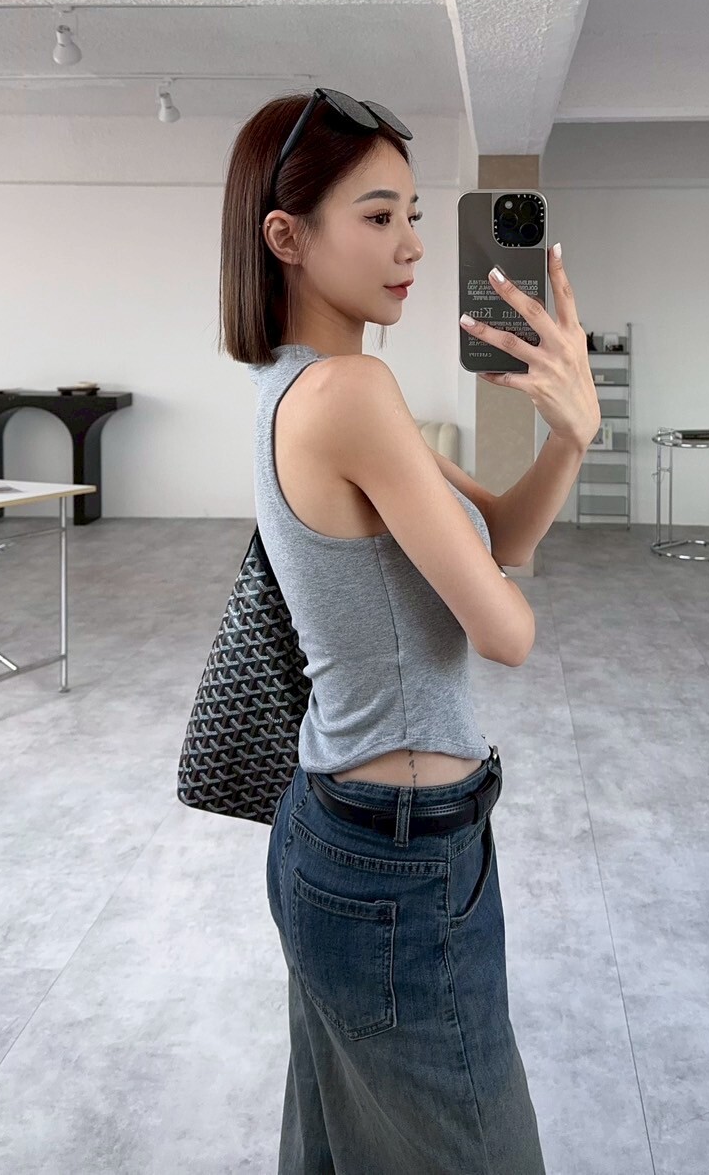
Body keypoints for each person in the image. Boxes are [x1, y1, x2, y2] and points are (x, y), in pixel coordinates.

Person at [217, 89, 599, 1175]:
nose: (415, 246)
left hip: (349, 832)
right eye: (379, 216)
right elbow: (505, 630)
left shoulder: (305, 384)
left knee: (336, 1151)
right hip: (397, 858)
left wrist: (569, 437)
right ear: (286, 236)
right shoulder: (350, 392)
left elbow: (502, 534)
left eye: (415, 215)